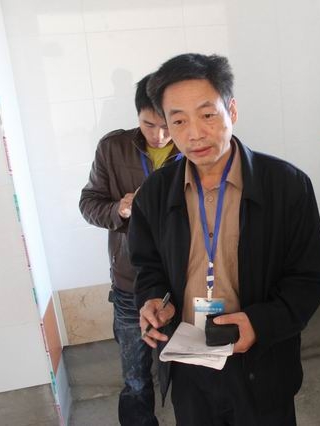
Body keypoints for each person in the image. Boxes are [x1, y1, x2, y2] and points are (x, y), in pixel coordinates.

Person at [127, 53, 320, 425]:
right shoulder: (154, 193)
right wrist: (154, 299)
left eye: (207, 115)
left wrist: (261, 324)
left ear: (231, 110)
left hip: (260, 363)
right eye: (179, 120)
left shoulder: (286, 185)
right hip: (188, 363)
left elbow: (310, 278)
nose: (194, 134)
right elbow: (147, 265)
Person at [79, 74, 182, 426]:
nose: (160, 136)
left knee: (191, 370)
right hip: (130, 282)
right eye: (149, 125)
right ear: (137, 115)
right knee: (136, 377)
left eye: (168, 125)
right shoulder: (113, 148)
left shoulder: (194, 147)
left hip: (184, 281)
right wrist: (119, 209)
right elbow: (88, 203)